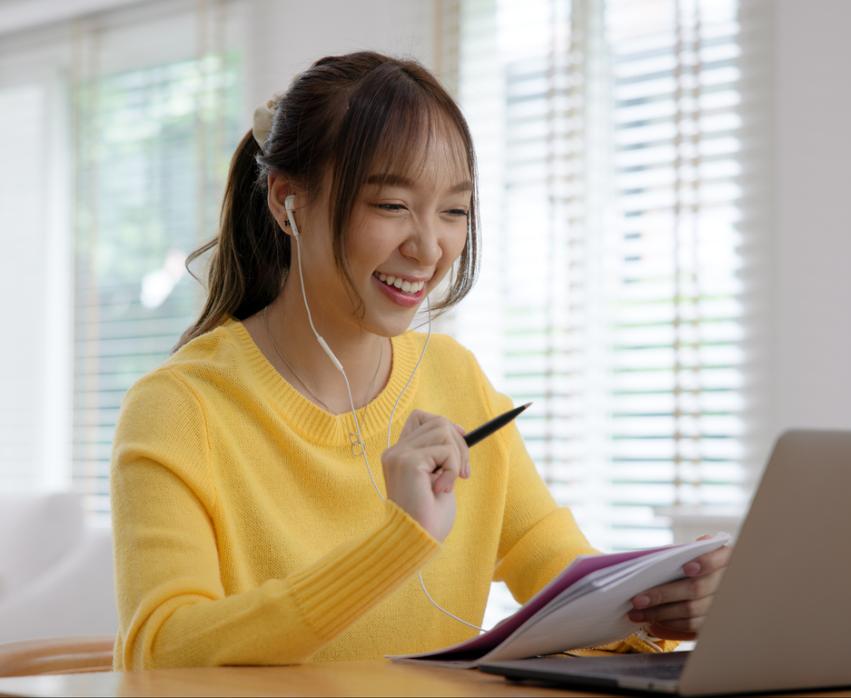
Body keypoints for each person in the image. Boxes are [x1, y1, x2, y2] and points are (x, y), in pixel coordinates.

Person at [110, 51, 730, 670]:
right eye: (391, 206)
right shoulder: (181, 407)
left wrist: (664, 600)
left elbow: (558, 572)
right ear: (286, 201)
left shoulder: (455, 378)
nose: (429, 247)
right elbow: (163, 648)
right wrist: (398, 541)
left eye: (454, 211)